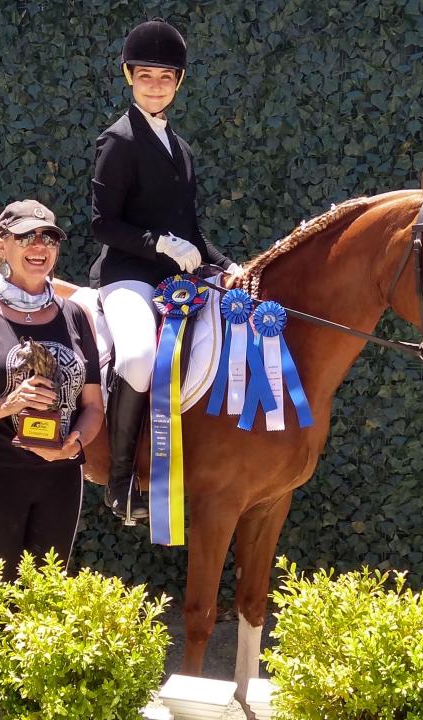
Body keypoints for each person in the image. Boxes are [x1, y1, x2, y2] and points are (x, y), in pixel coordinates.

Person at [89, 19, 240, 522]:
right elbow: (102, 224)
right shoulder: (118, 140)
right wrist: (156, 243)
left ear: (179, 83)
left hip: (178, 282)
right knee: (136, 358)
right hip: (128, 276)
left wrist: (227, 266)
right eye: (146, 76)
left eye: (166, 78)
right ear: (129, 77)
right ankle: (119, 482)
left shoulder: (181, 147)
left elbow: (192, 232)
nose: (156, 86)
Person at [0, 199, 102, 581]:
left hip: (62, 476)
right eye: (26, 236)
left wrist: (74, 445)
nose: (39, 247)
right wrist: (6, 404)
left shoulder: (76, 316)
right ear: (3, 244)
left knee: (47, 594)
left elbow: (93, 406)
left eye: (49, 238)